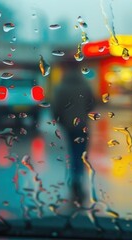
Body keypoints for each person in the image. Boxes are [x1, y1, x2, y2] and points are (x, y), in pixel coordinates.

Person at [51, 61, 96, 208]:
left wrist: (61, 119)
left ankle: (74, 179)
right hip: (82, 125)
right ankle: (79, 179)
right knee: (81, 153)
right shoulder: (84, 85)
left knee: (72, 150)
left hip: (68, 126)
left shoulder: (61, 87)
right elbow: (92, 103)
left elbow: (56, 107)